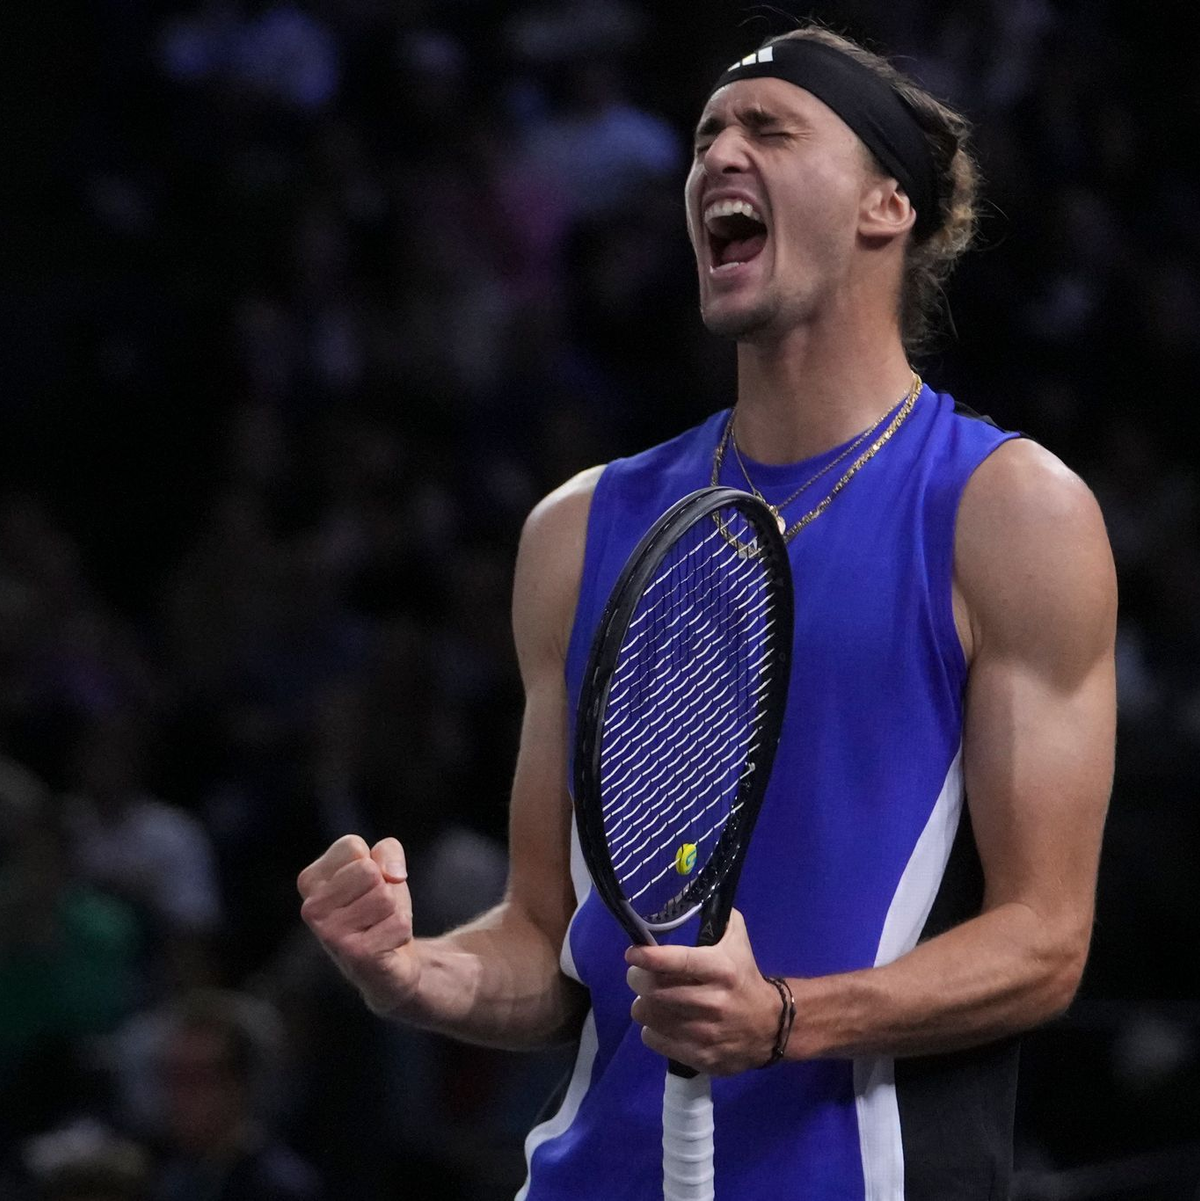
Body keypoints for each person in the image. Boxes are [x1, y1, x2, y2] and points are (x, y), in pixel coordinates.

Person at [297, 24, 1116, 1199]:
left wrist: (784, 1019)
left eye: (769, 130)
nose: (717, 157)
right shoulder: (578, 530)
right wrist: (413, 973)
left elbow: (1045, 942)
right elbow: (548, 944)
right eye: (705, 139)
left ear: (887, 205)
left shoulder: (1008, 511)